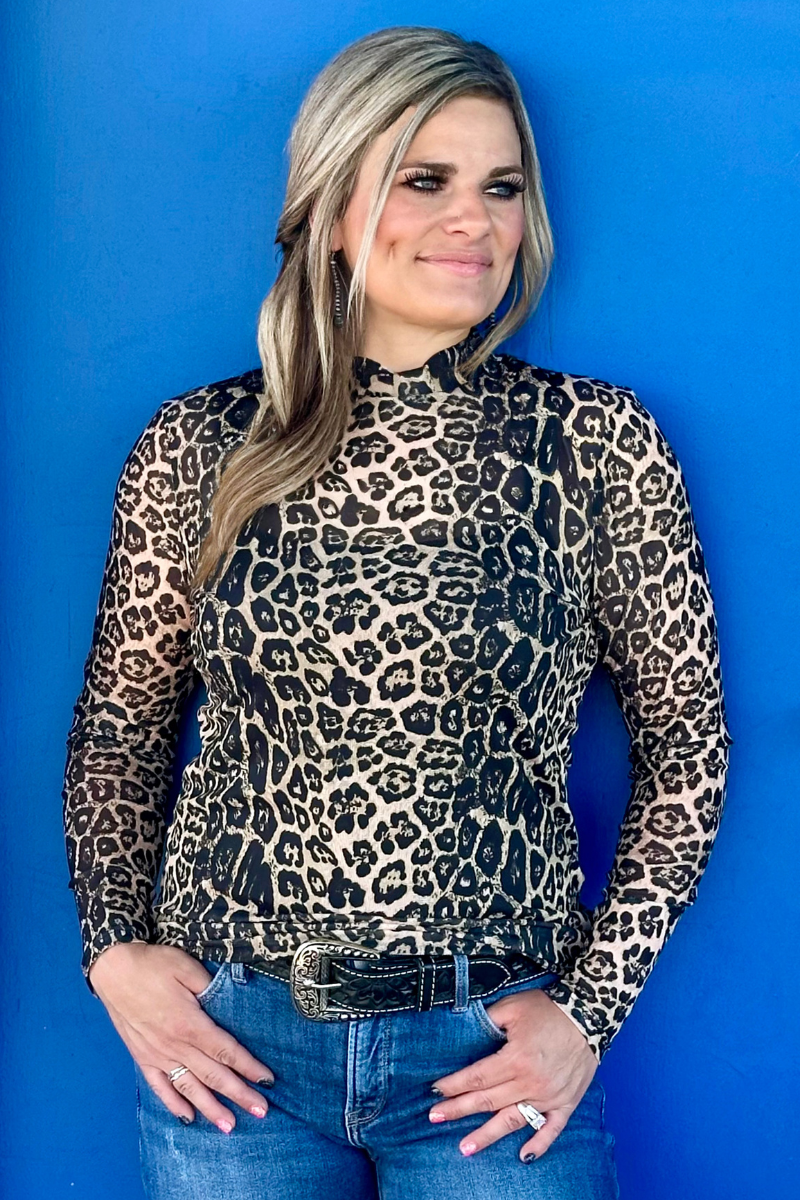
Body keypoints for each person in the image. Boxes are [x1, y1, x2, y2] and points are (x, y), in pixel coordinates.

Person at [62, 25, 733, 1200]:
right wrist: (113, 952)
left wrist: (587, 1012)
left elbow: (686, 744)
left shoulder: (593, 442)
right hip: (233, 1051)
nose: (472, 220)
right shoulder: (199, 445)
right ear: (331, 208)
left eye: (501, 187)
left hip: (486, 1060)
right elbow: (121, 728)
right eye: (424, 180)